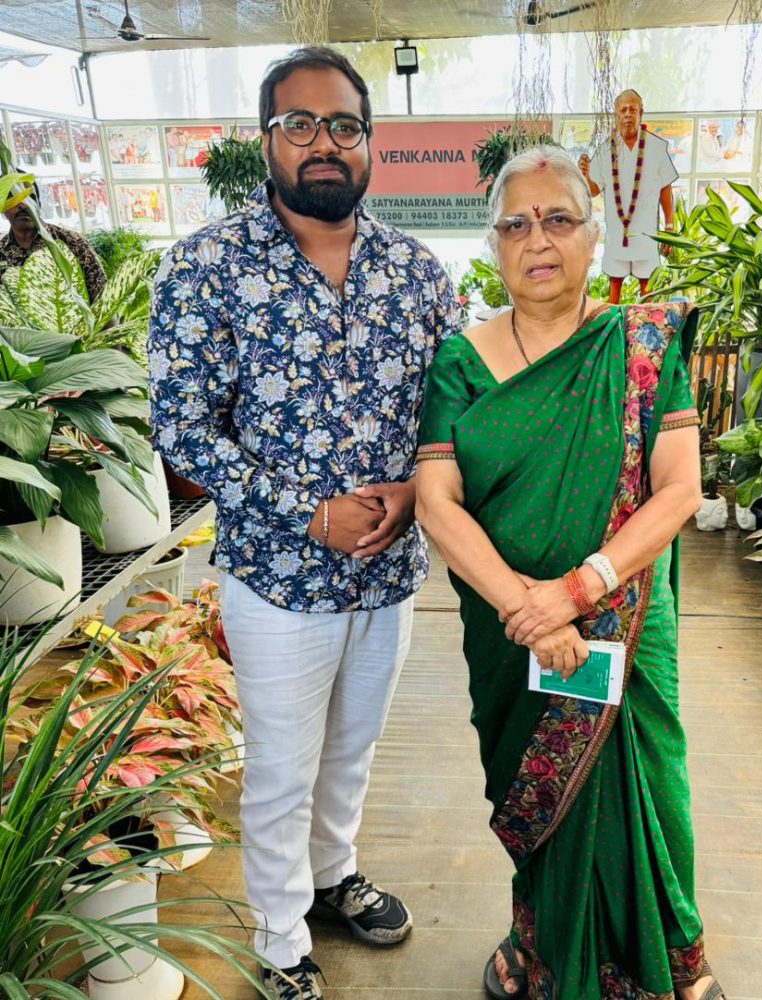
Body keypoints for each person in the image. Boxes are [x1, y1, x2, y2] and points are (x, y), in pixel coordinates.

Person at [148, 45, 462, 1000]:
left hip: (389, 573)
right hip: (277, 579)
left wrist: (414, 492)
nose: (324, 144)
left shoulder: (418, 271)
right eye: (301, 125)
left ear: (371, 144)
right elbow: (182, 427)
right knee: (282, 766)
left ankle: (333, 878)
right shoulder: (204, 267)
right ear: (267, 141)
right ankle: (281, 940)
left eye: (345, 126)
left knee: (353, 749)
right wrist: (306, 512)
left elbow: (451, 412)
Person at [415, 145, 726, 1000]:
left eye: (559, 218)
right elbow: (438, 501)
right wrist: (528, 607)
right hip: (509, 627)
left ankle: (672, 962)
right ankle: (546, 948)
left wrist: (577, 592)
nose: (536, 239)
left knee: (651, 782)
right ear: (493, 247)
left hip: (622, 615)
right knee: (530, 790)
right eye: (514, 224)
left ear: (596, 239)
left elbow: (680, 492)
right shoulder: (460, 361)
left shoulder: (641, 348)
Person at [578, 89, 678, 305]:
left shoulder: (656, 147)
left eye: (632, 109)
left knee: (647, 286)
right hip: (617, 233)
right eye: (622, 110)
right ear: (616, 115)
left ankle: (646, 333)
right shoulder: (605, 150)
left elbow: (665, 188)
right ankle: (613, 332)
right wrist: (586, 176)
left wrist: (669, 227)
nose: (627, 115)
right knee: (614, 284)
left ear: (641, 113)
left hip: (646, 233)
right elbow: (594, 190)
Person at [0, 181, 106, 302]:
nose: (24, 205)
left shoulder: (72, 243)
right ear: (3, 206)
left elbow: (102, 298)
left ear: (39, 204)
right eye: (15, 198)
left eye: (31, 198)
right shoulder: (2, 251)